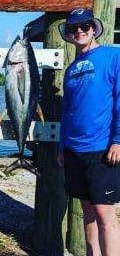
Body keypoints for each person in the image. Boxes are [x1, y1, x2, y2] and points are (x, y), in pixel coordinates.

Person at [57, 8, 120, 256]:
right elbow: (67, 111)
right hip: (74, 150)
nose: (79, 31)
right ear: (69, 34)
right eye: (73, 28)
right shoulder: (71, 70)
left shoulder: (112, 57)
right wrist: (62, 147)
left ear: (93, 29)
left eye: (84, 26)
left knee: (106, 216)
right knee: (88, 214)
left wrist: (118, 139)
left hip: (101, 150)